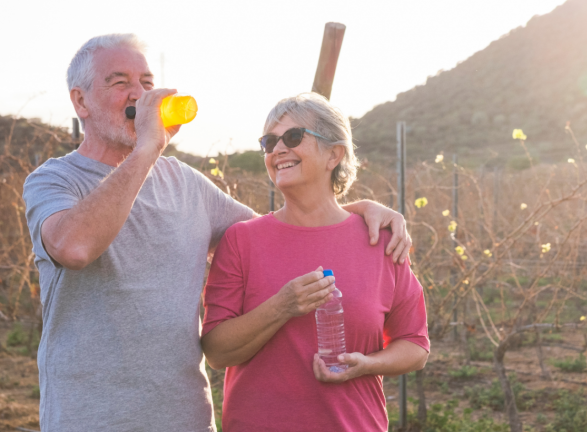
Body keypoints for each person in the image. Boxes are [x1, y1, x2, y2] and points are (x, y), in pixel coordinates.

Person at [22, 34, 411, 432]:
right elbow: (74, 247)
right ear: (81, 101)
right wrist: (147, 150)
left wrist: (355, 212)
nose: (139, 93)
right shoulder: (54, 181)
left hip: (185, 420)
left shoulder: (187, 186)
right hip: (90, 420)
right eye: (120, 82)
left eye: (147, 82)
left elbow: (282, 233)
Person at [201, 93, 429, 431]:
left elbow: (415, 345)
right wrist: (283, 306)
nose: (277, 150)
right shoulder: (241, 241)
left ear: (334, 154)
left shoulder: (381, 240)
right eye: (269, 142)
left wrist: (367, 364)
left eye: (293, 137)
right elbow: (217, 353)